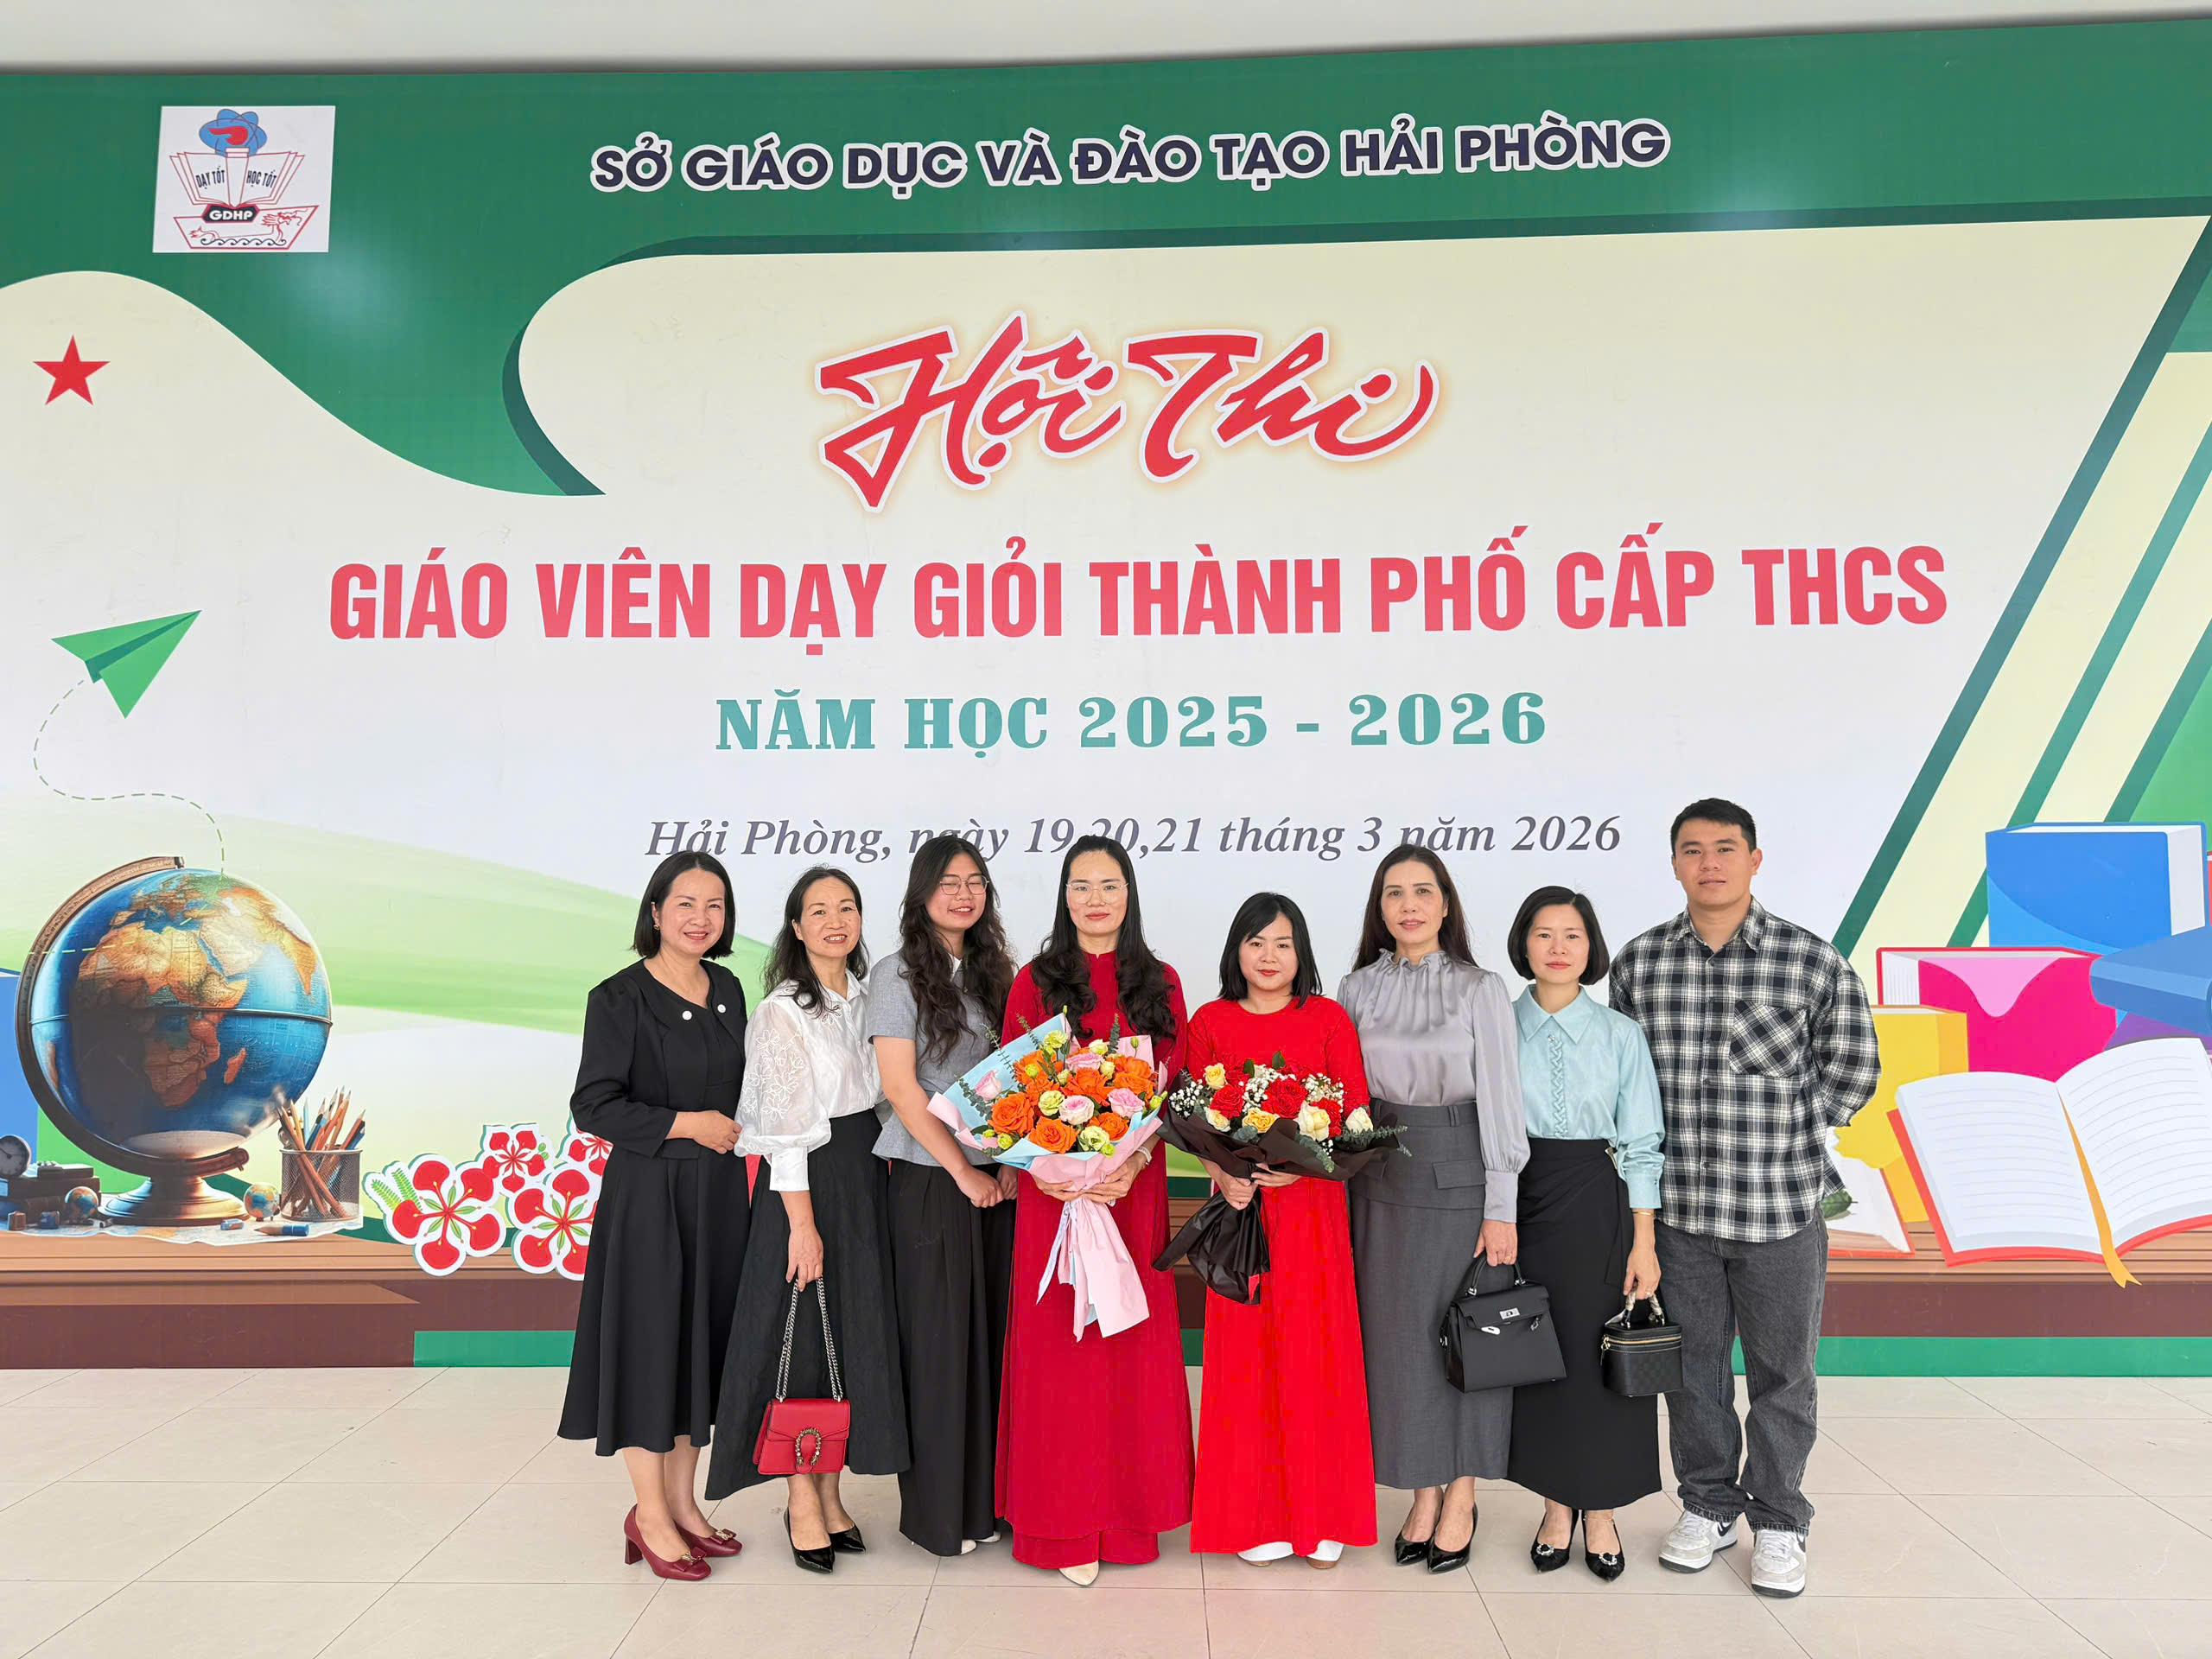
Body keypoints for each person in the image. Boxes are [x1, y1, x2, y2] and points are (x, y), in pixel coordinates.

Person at [1607, 799, 1879, 1599]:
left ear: (1755, 860)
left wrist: (1789, 1128)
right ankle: (1707, 1505)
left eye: (1726, 849)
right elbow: (1621, 1081)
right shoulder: (1641, 963)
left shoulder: (1809, 960)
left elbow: (1854, 1069)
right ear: (1674, 864)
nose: (1710, 863)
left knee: (1782, 1374)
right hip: (1678, 1215)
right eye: (1693, 850)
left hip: (1779, 1211)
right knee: (1692, 1372)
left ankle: (1780, 1518)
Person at [998, 836, 1195, 1586]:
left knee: (1126, 1347)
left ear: (1129, 894)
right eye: (1080, 886)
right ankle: (1062, 1523)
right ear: (1064, 896)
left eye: (1109, 884)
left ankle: (1129, 1517)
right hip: (1052, 1197)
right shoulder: (1034, 981)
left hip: (1129, 1194)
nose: (1095, 899)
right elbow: (1010, 1090)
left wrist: (1132, 1164)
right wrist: (1045, 1169)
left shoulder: (1161, 981)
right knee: (1062, 1355)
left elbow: (1173, 1093)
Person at [706, 868, 908, 1573]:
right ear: (795, 927)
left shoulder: (869, 998)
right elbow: (785, 1128)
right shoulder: (783, 1011)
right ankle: (799, 1495)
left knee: (846, 1331)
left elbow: (887, 1095)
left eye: (846, 908)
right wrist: (801, 1224)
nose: (834, 921)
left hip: (863, 1174)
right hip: (806, 1182)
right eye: (817, 911)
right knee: (798, 1337)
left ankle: (830, 1488)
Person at [556, 851, 751, 1583]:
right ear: (656, 912)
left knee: (698, 1347)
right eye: (686, 904)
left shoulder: (728, 989)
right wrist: (688, 1124)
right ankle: (649, 1515)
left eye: (715, 905)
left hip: (720, 1197)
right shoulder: (619, 997)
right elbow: (594, 1105)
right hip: (650, 1198)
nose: (701, 918)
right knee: (650, 1350)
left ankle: (685, 1505)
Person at [1337, 849, 1528, 1573]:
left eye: (1424, 892)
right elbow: (1344, 1093)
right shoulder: (1357, 987)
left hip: (1461, 1179)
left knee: (1468, 1338)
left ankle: (1463, 1494)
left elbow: (1501, 1098)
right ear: (1379, 908)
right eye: (1395, 893)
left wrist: (1502, 1205)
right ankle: (1422, 1491)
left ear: (1446, 904)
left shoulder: (1481, 988)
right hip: (1379, 1177)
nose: (1409, 905)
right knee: (1398, 1345)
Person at [1185, 893, 1377, 1568]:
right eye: (1256, 942)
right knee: (1246, 1363)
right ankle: (1254, 1517)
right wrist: (1223, 1170)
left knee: (1315, 1355)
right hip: (1242, 1214)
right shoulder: (1210, 1020)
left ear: (1302, 953)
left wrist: (1305, 1169)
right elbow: (1193, 1118)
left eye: (1283, 944)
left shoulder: (1326, 1019)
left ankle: (1322, 1516)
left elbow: (1355, 1111)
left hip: (1312, 1213)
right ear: (1236, 950)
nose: (1269, 957)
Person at [1503, 885, 1664, 1580]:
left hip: (1600, 1204)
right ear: (1524, 944)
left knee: (1600, 1359)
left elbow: (1642, 1142)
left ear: (1592, 946)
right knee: (1536, 1357)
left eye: (1573, 935)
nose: (1559, 948)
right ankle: (1553, 1507)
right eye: (1544, 934)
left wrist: (1644, 1241)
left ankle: (1599, 1509)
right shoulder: (1495, 1028)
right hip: (1518, 1199)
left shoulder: (1621, 1034)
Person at [870, 834, 1020, 1557]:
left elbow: (1022, 1078)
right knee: (938, 1349)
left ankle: (989, 1503)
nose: (964, 894)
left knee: (992, 1342)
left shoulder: (996, 972)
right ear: (921, 892)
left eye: (975, 882)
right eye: (949, 882)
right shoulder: (896, 973)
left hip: (1000, 1185)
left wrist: (1014, 1163)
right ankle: (940, 1515)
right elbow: (901, 1089)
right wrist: (964, 1172)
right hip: (933, 1181)